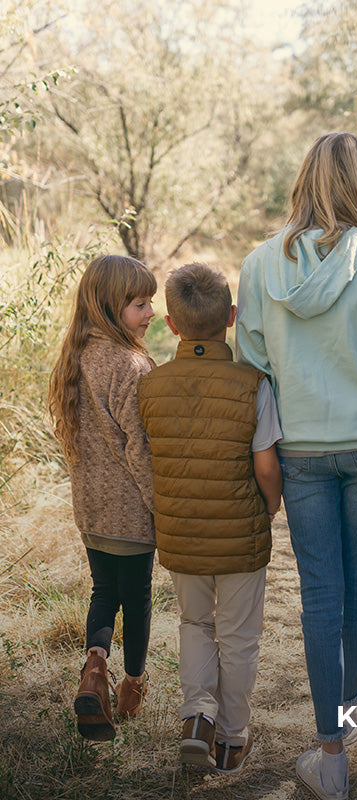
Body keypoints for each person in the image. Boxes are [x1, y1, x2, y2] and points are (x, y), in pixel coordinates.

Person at [236, 132, 357, 800]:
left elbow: (253, 369)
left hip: (301, 449)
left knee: (320, 591)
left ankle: (330, 753)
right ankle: (350, 706)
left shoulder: (259, 266)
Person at [137, 262, 283, 774]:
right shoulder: (253, 383)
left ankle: (197, 713)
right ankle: (232, 739)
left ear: (171, 325)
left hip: (179, 529)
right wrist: (269, 506)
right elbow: (266, 464)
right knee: (239, 636)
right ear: (234, 317)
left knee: (195, 622)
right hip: (239, 532)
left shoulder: (150, 386)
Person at [48, 254, 157, 741]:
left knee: (103, 591)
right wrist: (162, 509)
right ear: (112, 309)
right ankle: (132, 684)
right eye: (140, 304)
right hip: (130, 511)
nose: (150, 312)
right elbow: (140, 448)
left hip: (90, 510)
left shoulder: (75, 357)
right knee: (136, 600)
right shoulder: (130, 365)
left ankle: (95, 665)